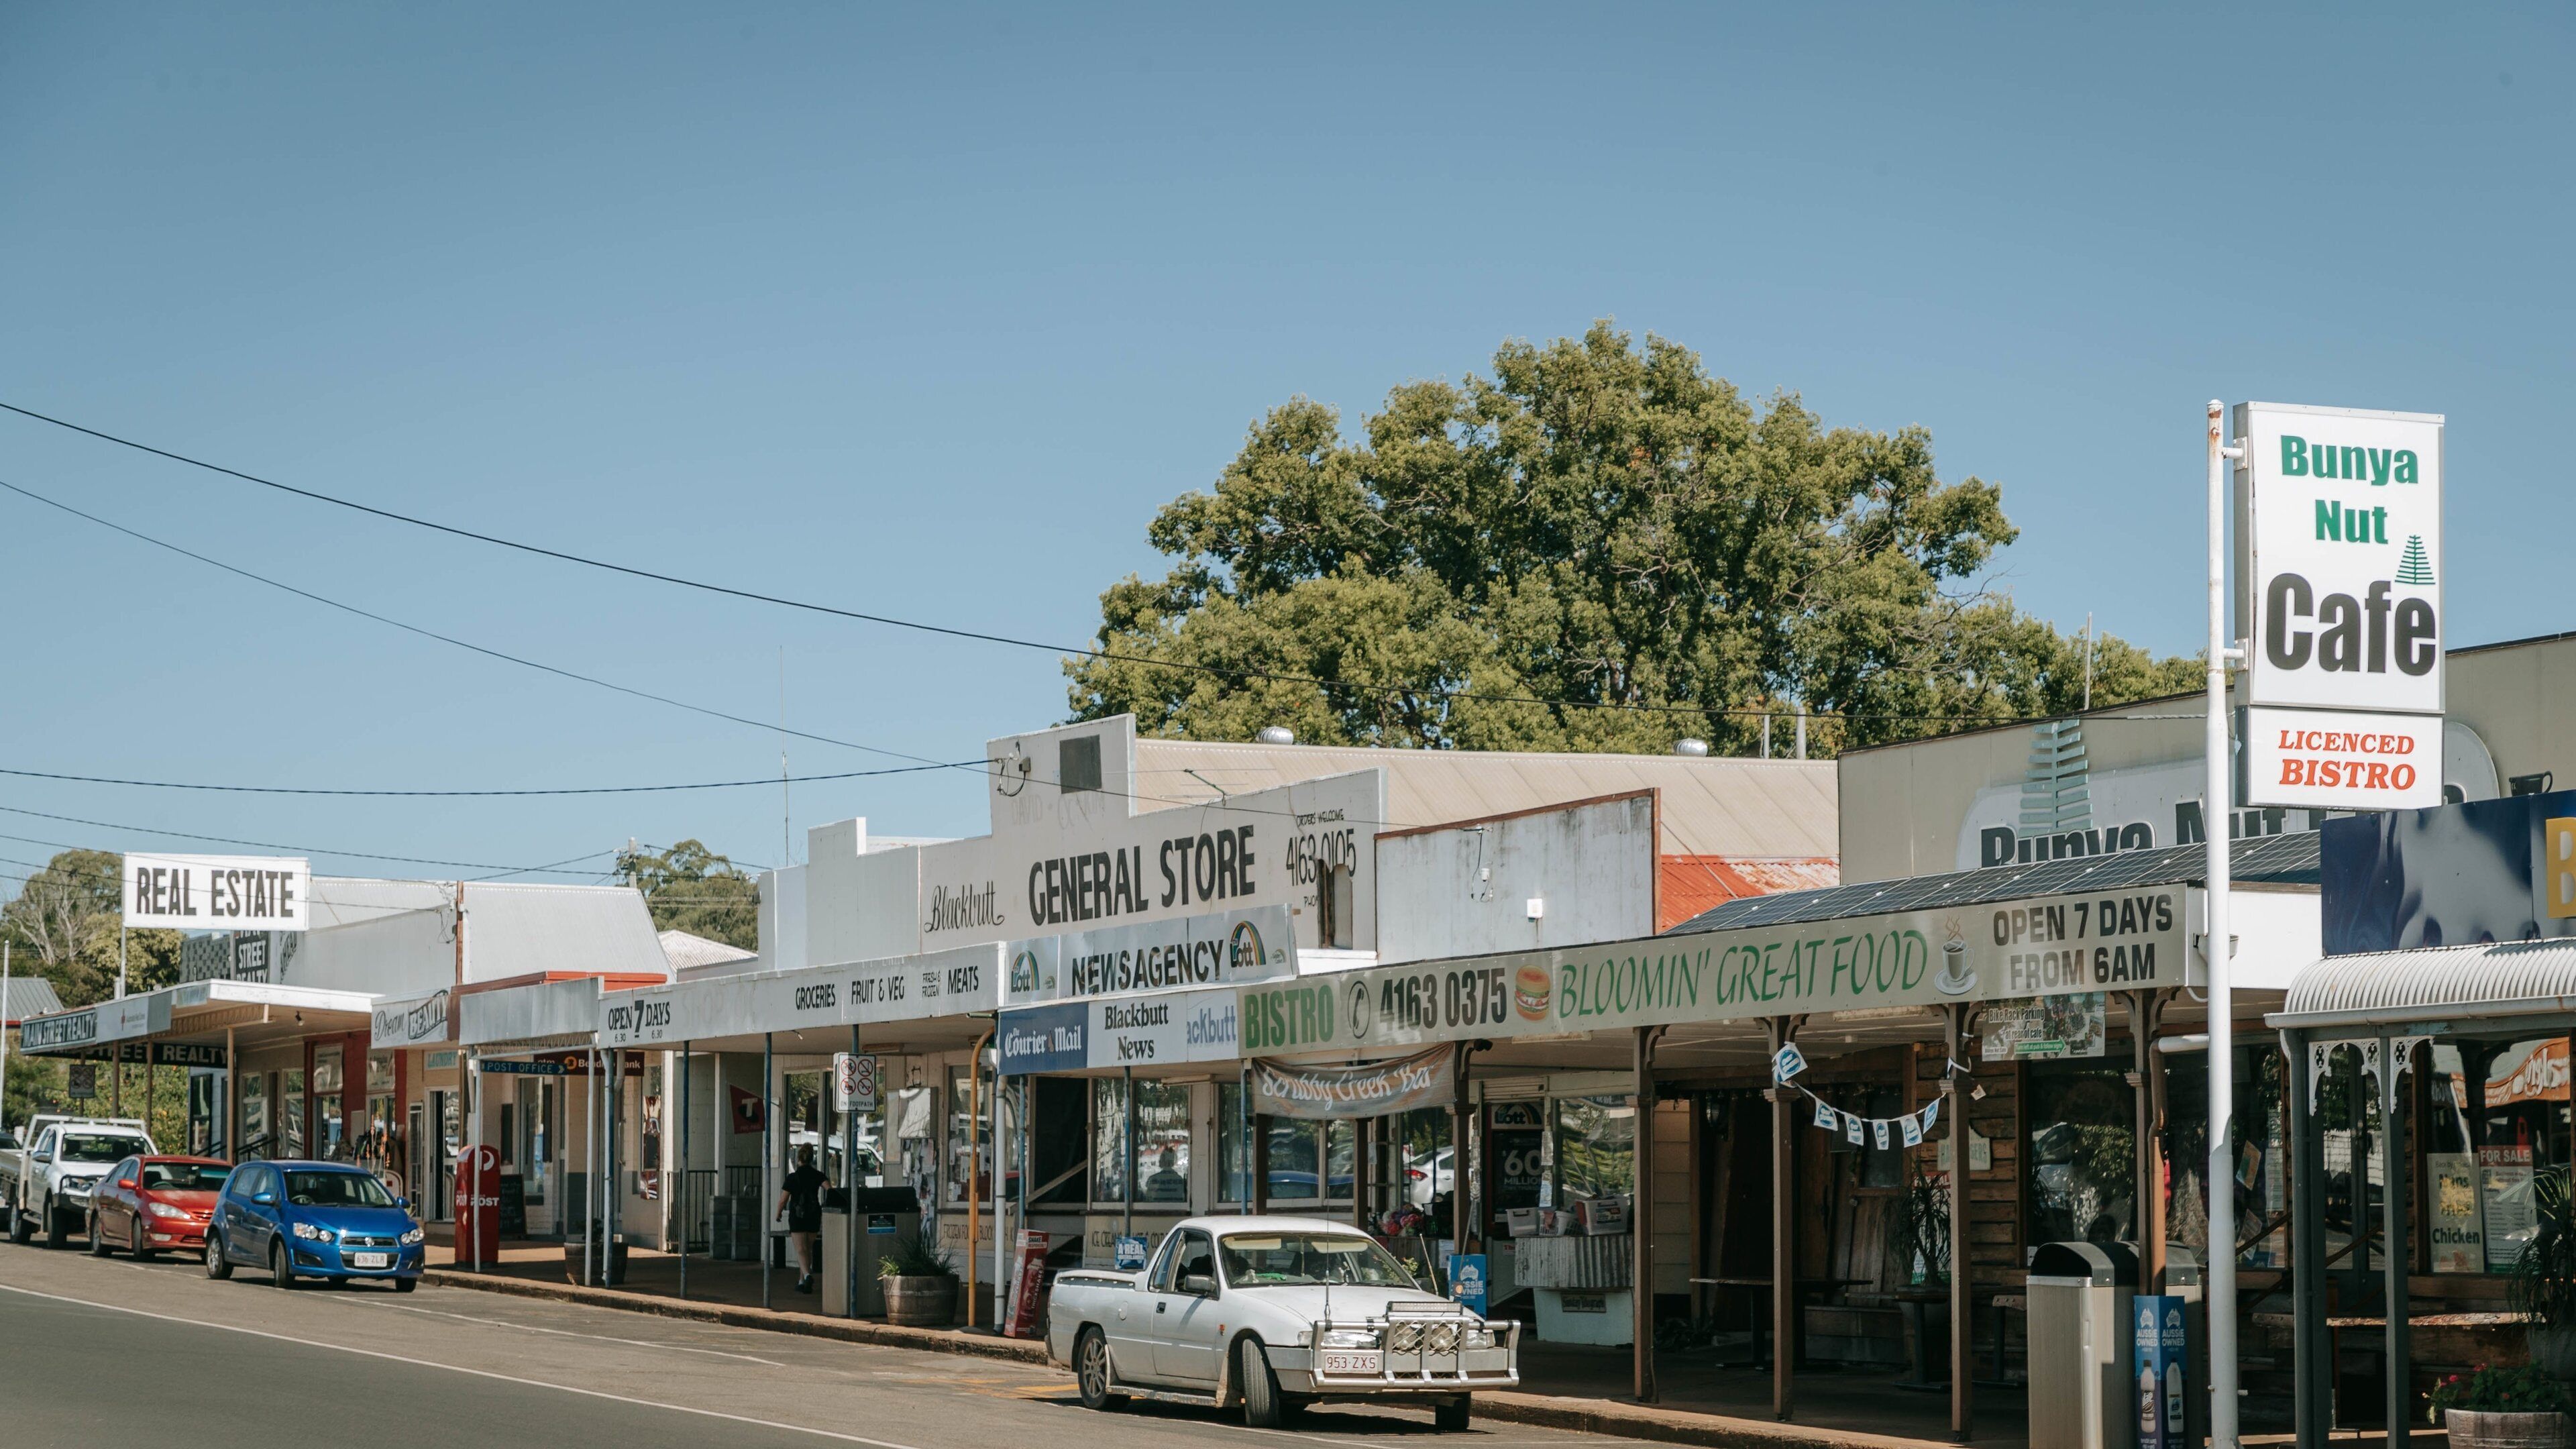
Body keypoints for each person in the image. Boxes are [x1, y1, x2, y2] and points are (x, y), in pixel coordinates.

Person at [777, 1144, 828, 1293]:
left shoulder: (793, 1177)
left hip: (797, 1216)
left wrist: (778, 1213)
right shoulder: (818, 1175)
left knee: (800, 1250)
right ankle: (802, 1282)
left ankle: (807, 1275)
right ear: (812, 1159)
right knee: (808, 1249)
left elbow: (783, 1200)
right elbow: (830, 1189)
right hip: (814, 1215)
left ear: (798, 1159)